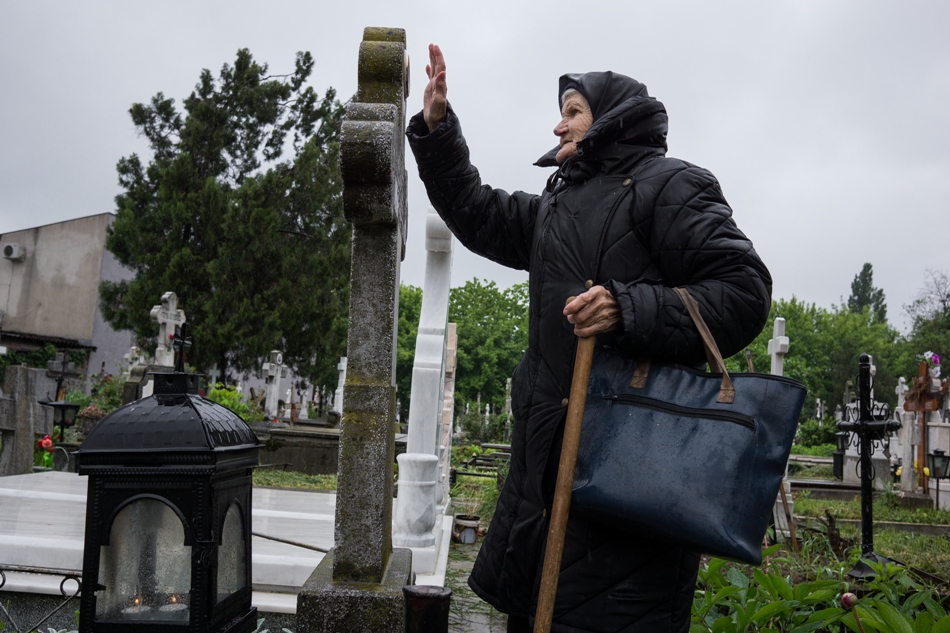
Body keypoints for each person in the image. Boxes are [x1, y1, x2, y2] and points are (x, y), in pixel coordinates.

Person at [407, 44, 772, 633]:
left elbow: (745, 292)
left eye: (572, 110)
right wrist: (438, 130)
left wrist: (628, 307)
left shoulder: (671, 186)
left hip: (628, 482)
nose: (558, 123)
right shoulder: (557, 203)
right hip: (545, 477)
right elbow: (478, 213)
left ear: (609, 117)